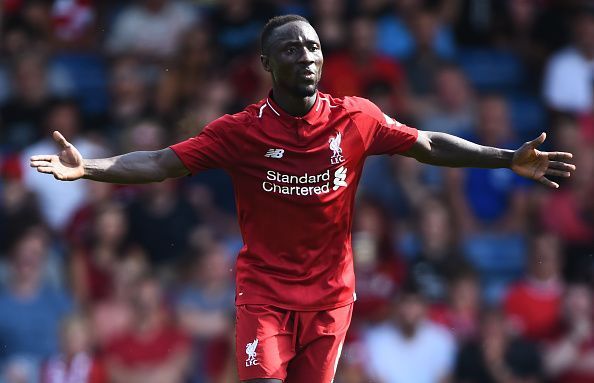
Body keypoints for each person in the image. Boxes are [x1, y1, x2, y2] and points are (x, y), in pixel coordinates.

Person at [30, 14, 576, 383]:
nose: (307, 56)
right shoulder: (240, 131)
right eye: (291, 48)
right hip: (265, 293)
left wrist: (506, 157)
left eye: (313, 46)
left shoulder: (356, 118)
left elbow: (429, 144)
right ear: (268, 64)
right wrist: (92, 168)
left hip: (331, 298)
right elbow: (160, 162)